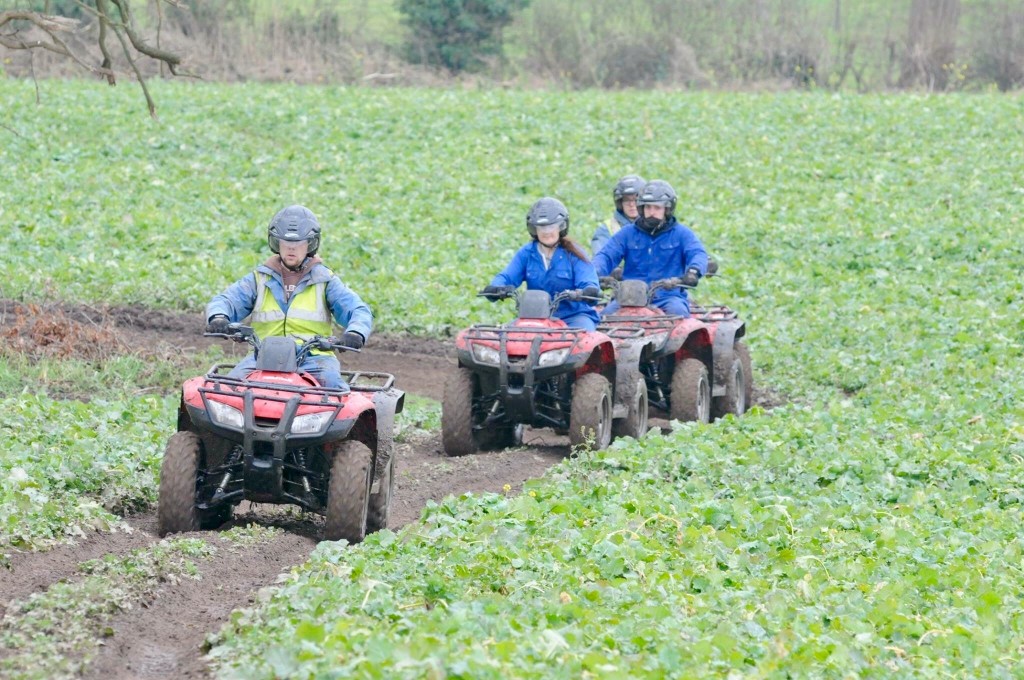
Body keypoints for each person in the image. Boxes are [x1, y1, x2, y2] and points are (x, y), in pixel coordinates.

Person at [205, 205, 372, 389]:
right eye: (286, 243)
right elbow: (226, 300)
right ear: (276, 243)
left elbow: (357, 309)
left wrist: (355, 332)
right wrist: (218, 317)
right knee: (227, 389)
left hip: (315, 359)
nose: (291, 249)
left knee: (334, 392)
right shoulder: (259, 278)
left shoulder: (325, 281)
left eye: (298, 244)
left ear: (310, 244)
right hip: (262, 357)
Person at [481, 197, 601, 331]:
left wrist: (587, 291)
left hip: (574, 317)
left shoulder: (575, 253)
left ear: (561, 227)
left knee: (584, 338)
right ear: (534, 229)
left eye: (552, 226)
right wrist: (496, 287)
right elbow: (507, 276)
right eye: (542, 227)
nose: (547, 232)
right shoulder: (526, 253)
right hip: (535, 318)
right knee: (506, 337)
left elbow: (588, 281)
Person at [593, 180, 708, 317]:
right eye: (648, 207)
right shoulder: (627, 233)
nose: (652, 212)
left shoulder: (682, 234)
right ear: (641, 208)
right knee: (604, 319)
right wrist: (595, 272)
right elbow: (606, 255)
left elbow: (697, 253)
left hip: (668, 297)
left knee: (679, 315)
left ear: (667, 209)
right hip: (629, 298)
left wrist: (694, 271)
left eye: (657, 208)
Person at [590, 174, 645, 256]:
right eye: (627, 200)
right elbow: (600, 259)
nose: (632, 204)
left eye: (636, 200)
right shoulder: (606, 229)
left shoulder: (654, 225)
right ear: (620, 203)